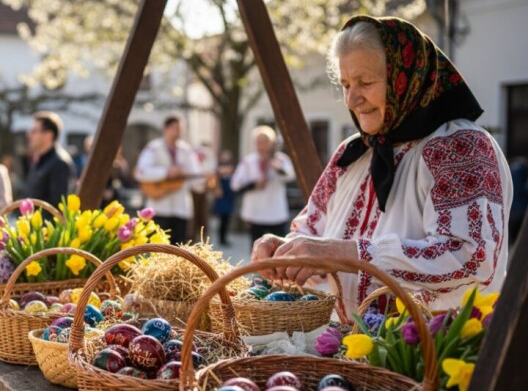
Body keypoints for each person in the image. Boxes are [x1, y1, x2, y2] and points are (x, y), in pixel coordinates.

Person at [252, 16, 513, 316]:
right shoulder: (352, 152)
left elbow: (472, 258)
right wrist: (285, 250)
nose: (351, 99)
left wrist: (347, 254)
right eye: (346, 84)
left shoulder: (460, 146)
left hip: (433, 351)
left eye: (365, 82)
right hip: (346, 350)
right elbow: (312, 231)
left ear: (408, 76)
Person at [135, 116, 204, 245]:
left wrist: (206, 180)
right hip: (159, 208)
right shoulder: (153, 148)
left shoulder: (186, 150)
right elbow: (141, 172)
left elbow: (197, 179)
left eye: (179, 129)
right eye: (174, 128)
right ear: (165, 129)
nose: (177, 132)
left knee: (179, 251)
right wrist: (166, 172)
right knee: (157, 250)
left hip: (181, 209)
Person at [231, 126, 297, 244]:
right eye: (259, 142)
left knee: (278, 250)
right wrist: (253, 185)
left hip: (276, 213)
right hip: (255, 212)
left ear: (271, 143)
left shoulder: (280, 159)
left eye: (265, 142)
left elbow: (290, 176)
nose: (262, 146)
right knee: (256, 248)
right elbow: (235, 184)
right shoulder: (248, 161)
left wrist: (277, 168)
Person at [23, 111, 74, 206]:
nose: (29, 135)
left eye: (34, 131)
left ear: (48, 135)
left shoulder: (59, 163)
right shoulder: (40, 160)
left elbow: (57, 207)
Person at [213, 150, 237, 246]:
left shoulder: (233, 168)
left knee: (227, 218)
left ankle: (225, 237)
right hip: (222, 196)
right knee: (222, 219)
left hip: (229, 196)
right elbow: (215, 181)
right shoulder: (218, 169)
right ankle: (221, 238)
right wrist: (217, 189)